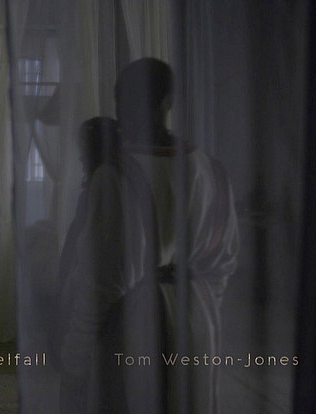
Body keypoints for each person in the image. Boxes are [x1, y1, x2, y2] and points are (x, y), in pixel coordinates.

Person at [116, 57, 240, 413]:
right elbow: (225, 258)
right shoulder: (210, 168)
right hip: (199, 312)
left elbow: (108, 276)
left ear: (164, 103)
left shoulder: (120, 173)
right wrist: (202, 301)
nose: (122, 114)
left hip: (141, 316)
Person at [57, 116, 165, 413]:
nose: (80, 157)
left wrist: (75, 353)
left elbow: (102, 279)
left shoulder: (110, 180)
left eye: (84, 149)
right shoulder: (118, 177)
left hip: (109, 324)